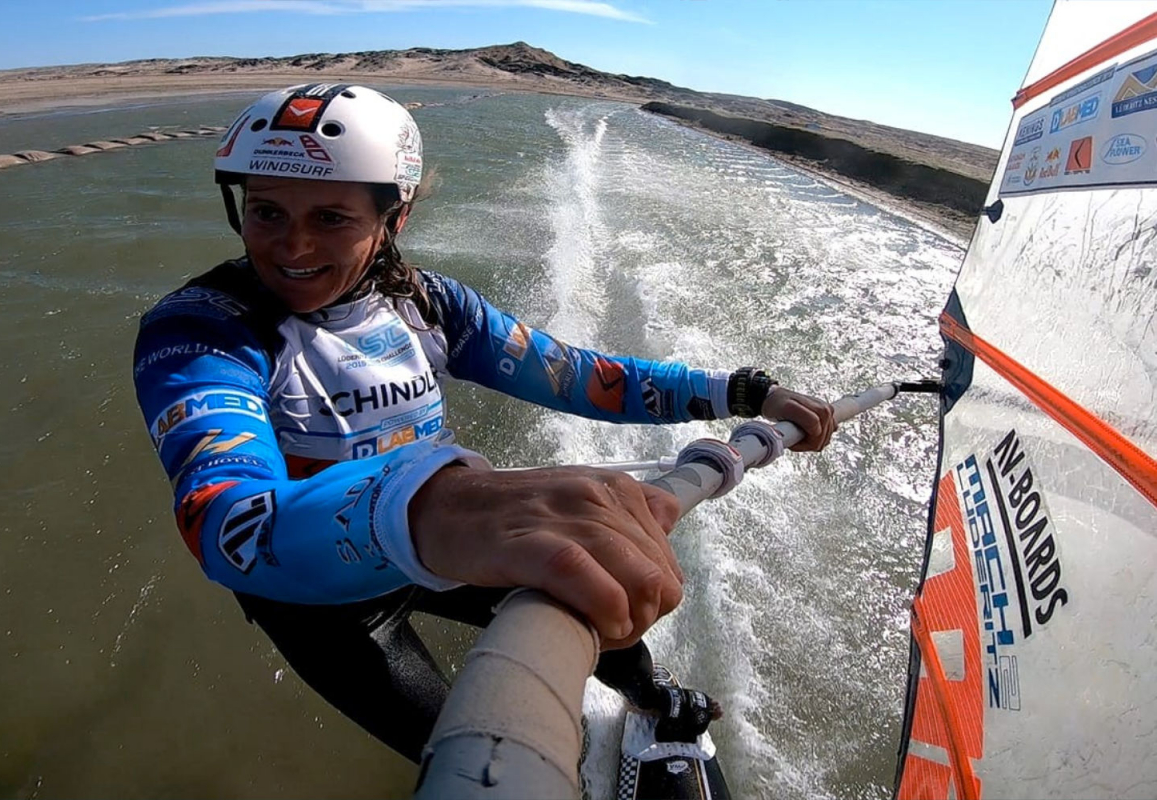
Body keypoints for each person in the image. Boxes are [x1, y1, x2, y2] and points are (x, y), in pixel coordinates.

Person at [132, 83, 837, 762]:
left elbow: (581, 375)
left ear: (394, 220)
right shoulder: (202, 331)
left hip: (438, 541)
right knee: (454, 752)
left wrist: (743, 390)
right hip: (318, 604)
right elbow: (228, 523)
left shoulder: (430, 305)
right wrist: (433, 502)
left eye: (331, 218)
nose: (290, 247)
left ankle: (654, 699)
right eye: (266, 213)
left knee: (612, 623)